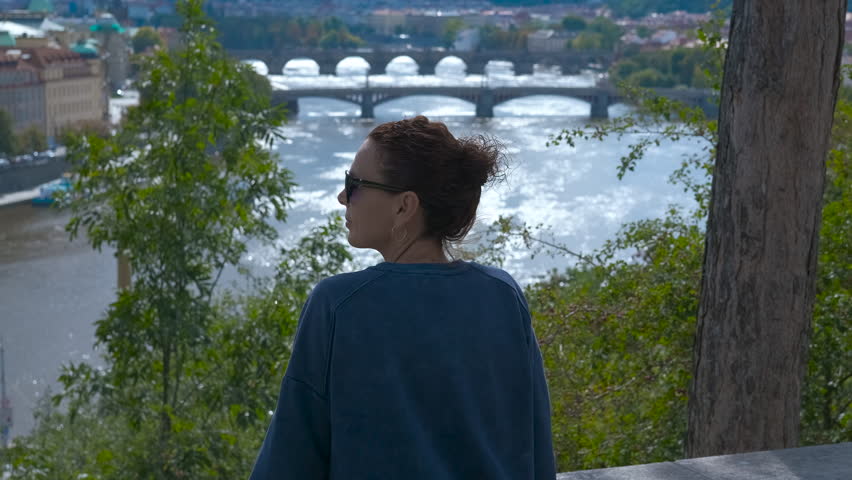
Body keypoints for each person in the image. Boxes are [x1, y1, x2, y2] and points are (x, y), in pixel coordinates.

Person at [249, 116, 556, 479]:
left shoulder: (338, 306)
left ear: (404, 207)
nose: (342, 197)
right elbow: (535, 448)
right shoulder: (502, 296)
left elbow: (290, 459)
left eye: (355, 184)